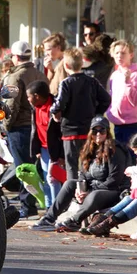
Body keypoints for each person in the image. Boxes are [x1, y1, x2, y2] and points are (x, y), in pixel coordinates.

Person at [30, 116, 132, 232]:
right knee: (70, 183)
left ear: (107, 132)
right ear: (90, 133)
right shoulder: (89, 149)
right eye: (95, 130)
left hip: (113, 191)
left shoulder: (115, 150)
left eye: (102, 130)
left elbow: (114, 180)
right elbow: (83, 174)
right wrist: (80, 188)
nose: (98, 134)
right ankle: (49, 219)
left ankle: (74, 221)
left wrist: (89, 192)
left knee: (95, 195)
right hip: (93, 188)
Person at [3, 40, 49, 219]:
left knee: (23, 169)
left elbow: (10, 105)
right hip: (37, 125)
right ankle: (35, 201)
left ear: (15, 56)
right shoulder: (40, 74)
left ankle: (27, 205)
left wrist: (6, 125)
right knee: (35, 167)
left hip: (19, 127)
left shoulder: (14, 77)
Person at [50, 48, 111, 181]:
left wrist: (53, 111)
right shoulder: (92, 81)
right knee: (89, 162)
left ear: (66, 65)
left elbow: (60, 103)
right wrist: (96, 113)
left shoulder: (65, 83)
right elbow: (106, 99)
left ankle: (73, 193)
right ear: (82, 63)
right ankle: (88, 191)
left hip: (70, 131)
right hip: (88, 129)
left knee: (71, 166)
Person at [27, 80, 63, 207]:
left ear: (37, 96)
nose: (28, 99)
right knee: (47, 179)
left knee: (54, 179)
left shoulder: (55, 107)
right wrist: (36, 149)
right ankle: (49, 207)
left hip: (55, 150)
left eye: (29, 96)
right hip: (43, 149)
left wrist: (61, 155)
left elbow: (61, 132)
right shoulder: (35, 108)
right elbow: (35, 130)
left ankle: (57, 208)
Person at [107, 40, 137, 145]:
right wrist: (110, 112)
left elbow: (136, 100)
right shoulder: (114, 75)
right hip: (118, 122)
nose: (119, 56)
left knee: (132, 156)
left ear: (131, 55)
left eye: (123, 53)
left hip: (132, 123)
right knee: (120, 156)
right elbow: (112, 97)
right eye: (117, 53)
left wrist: (128, 82)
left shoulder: (136, 74)